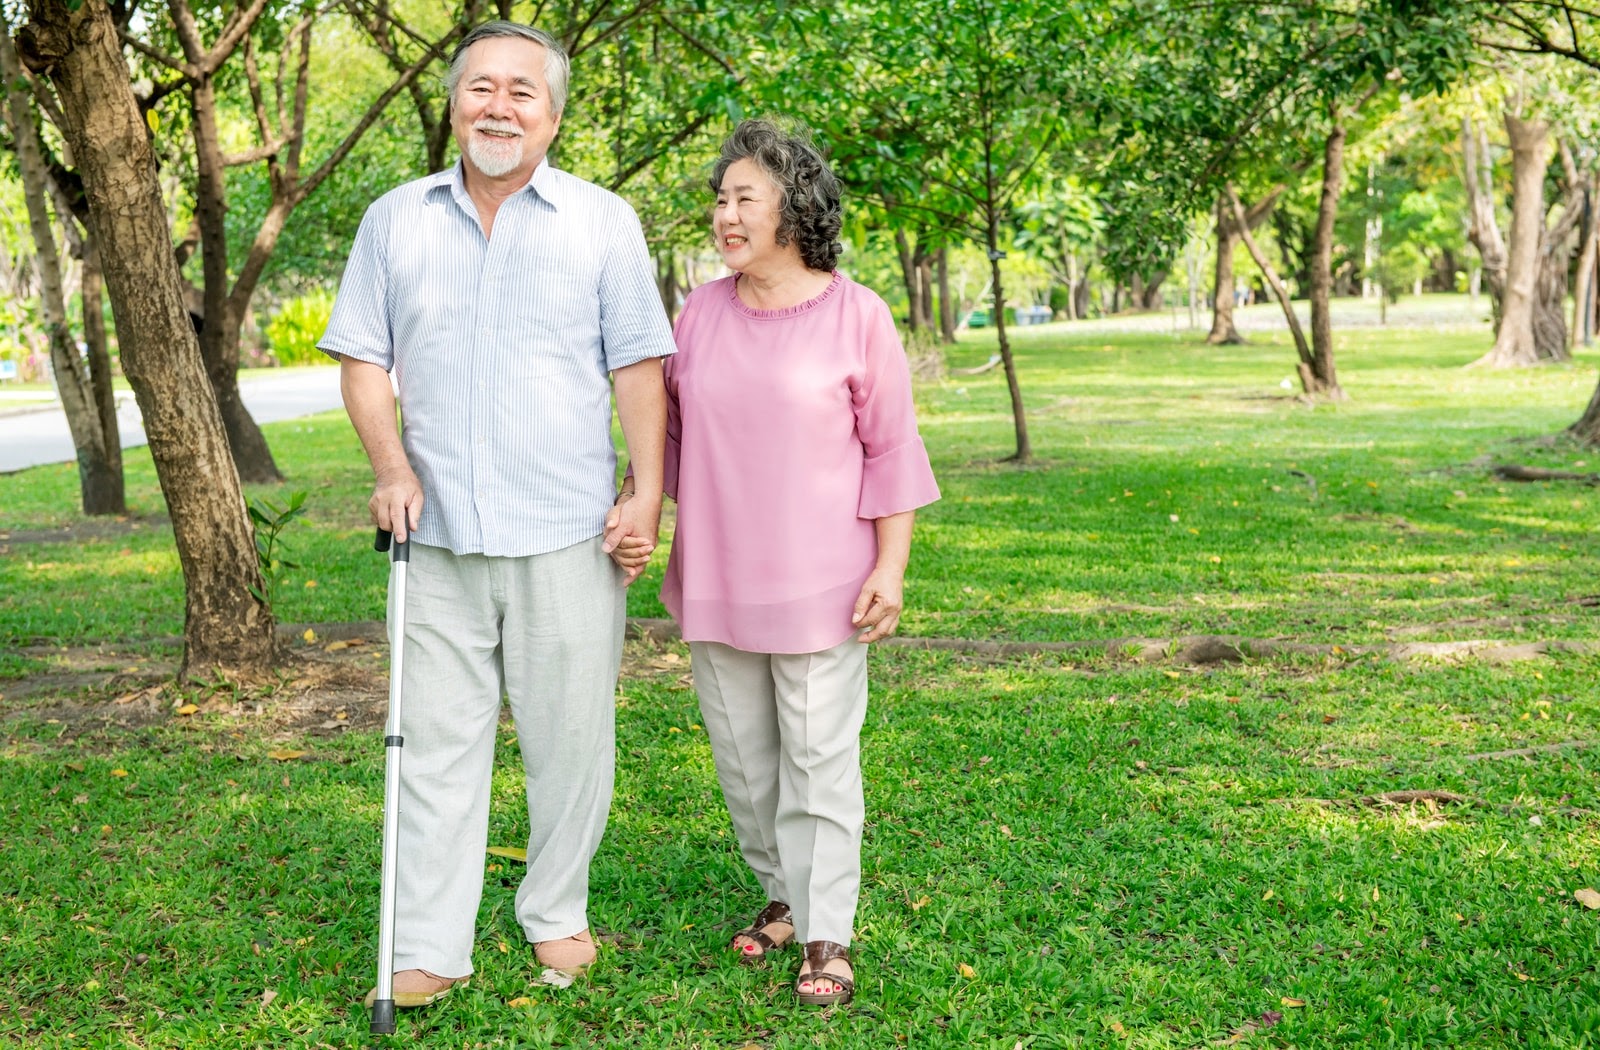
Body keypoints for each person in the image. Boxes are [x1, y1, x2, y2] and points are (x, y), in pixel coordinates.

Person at [318, 21, 673, 1009]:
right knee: (435, 743)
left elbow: (637, 365)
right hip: (431, 537)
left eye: (522, 90)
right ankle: (432, 940)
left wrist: (645, 490)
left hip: (566, 529)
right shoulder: (394, 220)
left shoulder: (603, 221)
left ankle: (555, 909)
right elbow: (362, 359)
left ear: (552, 116)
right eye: (481, 87)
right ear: (453, 105)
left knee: (570, 740)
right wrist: (387, 465)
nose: (498, 105)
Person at [621, 118, 939, 1006]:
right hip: (717, 575)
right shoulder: (699, 312)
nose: (724, 215)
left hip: (823, 584)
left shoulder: (857, 314)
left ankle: (827, 929)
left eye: (742, 199)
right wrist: (635, 500)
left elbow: (892, 450)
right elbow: (672, 434)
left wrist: (892, 566)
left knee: (817, 757)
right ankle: (783, 897)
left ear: (794, 209)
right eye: (719, 200)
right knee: (746, 758)